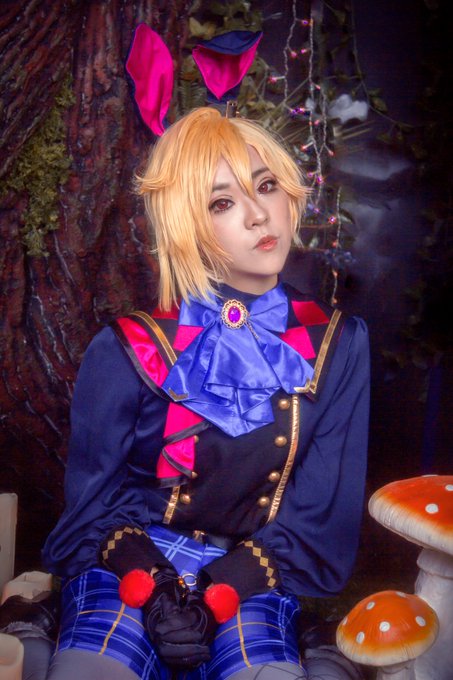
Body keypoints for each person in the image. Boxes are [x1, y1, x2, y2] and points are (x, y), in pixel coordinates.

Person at [1, 107, 369, 680]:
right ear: (186, 225)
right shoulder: (127, 346)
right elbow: (93, 509)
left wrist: (223, 588)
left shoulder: (338, 343)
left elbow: (320, 511)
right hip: (130, 566)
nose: (257, 214)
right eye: (221, 203)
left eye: (265, 186)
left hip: (253, 575)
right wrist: (154, 586)